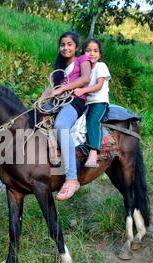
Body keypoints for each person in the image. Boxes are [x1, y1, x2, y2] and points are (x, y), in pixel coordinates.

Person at [42, 31, 90, 201]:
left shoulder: (82, 60)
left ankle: (71, 178)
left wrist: (64, 89)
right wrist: (40, 100)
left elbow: (85, 78)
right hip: (58, 101)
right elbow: (51, 89)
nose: (66, 47)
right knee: (32, 118)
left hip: (75, 101)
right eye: (62, 44)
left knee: (61, 126)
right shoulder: (59, 68)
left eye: (69, 44)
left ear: (76, 47)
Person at [74, 38, 111, 168]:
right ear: (83, 52)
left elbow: (99, 85)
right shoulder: (84, 68)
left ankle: (94, 152)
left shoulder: (101, 66)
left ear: (100, 54)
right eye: (88, 50)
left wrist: (82, 90)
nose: (92, 53)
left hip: (99, 101)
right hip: (86, 102)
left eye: (95, 51)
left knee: (92, 121)